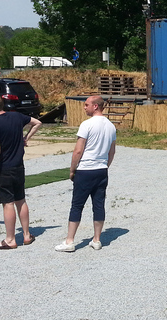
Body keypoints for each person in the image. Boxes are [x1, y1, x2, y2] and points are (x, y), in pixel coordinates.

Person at [55, 95, 116, 252]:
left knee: (77, 205)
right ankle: (96, 240)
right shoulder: (111, 126)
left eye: (87, 104)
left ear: (96, 106)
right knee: (98, 204)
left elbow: (78, 150)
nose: (84, 107)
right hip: (101, 170)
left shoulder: (86, 124)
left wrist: (72, 169)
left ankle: (69, 241)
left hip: (85, 169)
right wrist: (105, 166)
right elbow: (112, 151)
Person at [0, 94, 41, 250]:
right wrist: (26, 138)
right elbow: (37, 122)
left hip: (4, 168)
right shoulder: (16, 116)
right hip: (18, 166)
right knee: (21, 200)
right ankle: (26, 235)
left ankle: (10, 239)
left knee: (7, 203)